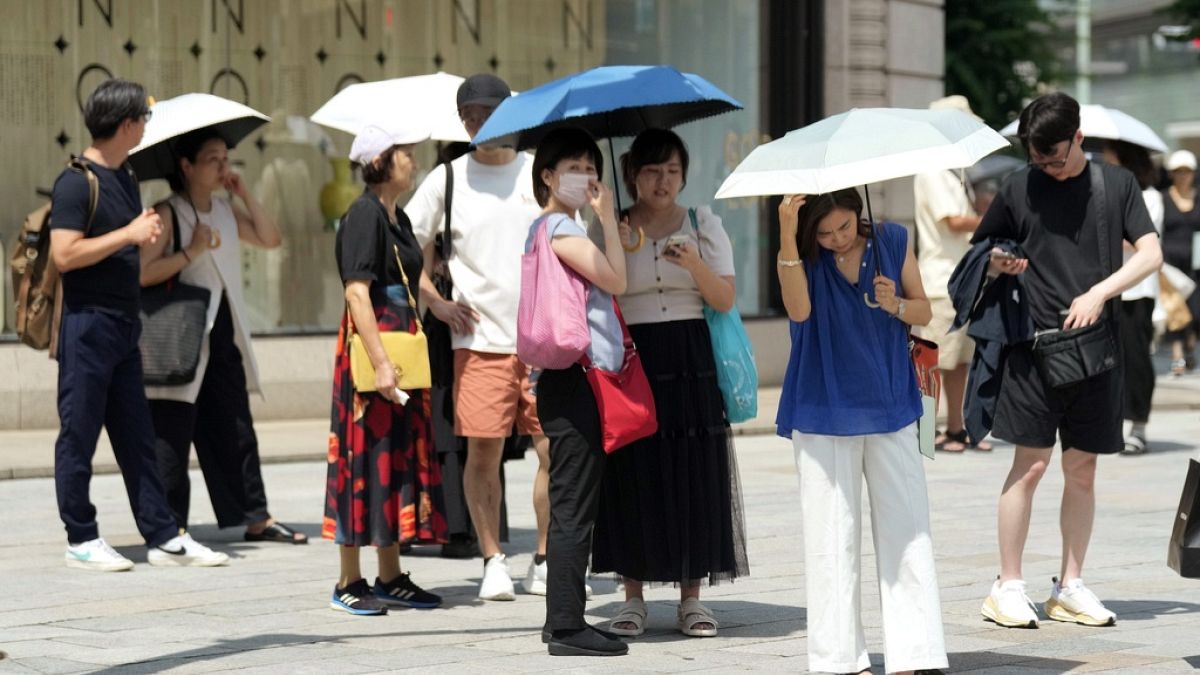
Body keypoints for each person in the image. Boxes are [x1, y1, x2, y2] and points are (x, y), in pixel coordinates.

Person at [968, 93, 1161, 629]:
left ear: (1079, 139)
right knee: (1028, 466)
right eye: (1038, 160)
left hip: (1096, 349)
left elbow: (1150, 253)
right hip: (1033, 350)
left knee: (1083, 468)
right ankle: (1006, 586)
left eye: (1055, 158)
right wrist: (1000, 263)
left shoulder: (1115, 185)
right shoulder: (1017, 186)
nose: (1047, 169)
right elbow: (983, 251)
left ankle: (1069, 585)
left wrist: (1099, 292)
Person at [49, 78, 227, 570]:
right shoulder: (75, 181)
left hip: (127, 325)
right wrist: (128, 233)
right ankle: (81, 536)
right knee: (79, 433)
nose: (147, 127)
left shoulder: (124, 176)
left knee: (137, 435)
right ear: (127, 124)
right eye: (144, 119)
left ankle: (163, 535)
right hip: (87, 326)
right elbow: (64, 254)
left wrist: (140, 234)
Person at [775, 187, 947, 675]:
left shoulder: (893, 239)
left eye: (844, 228)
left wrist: (895, 304)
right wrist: (789, 233)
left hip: (893, 402)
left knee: (908, 528)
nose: (835, 239)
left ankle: (915, 653)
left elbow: (924, 311)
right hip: (821, 405)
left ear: (859, 214)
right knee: (831, 536)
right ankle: (837, 659)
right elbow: (799, 312)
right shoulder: (801, 254)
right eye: (824, 232)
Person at [592, 128, 749, 639]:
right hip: (632, 358)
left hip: (689, 356)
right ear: (632, 174)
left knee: (693, 471)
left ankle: (692, 598)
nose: (663, 181)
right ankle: (632, 596)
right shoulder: (610, 227)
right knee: (632, 471)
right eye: (652, 170)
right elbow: (597, 295)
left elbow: (724, 298)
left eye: (673, 171)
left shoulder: (704, 222)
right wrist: (607, 229)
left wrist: (694, 263)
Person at [406, 73, 556, 600]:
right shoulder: (446, 179)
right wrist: (436, 302)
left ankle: (544, 557)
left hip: (544, 341)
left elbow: (572, 237)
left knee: (552, 450)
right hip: (477, 342)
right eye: (469, 115)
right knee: (483, 454)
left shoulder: (538, 172)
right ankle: (493, 558)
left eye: (488, 113)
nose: (478, 123)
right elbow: (403, 248)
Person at [139, 127, 306, 543]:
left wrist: (244, 193)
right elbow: (140, 273)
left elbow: (271, 238)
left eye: (224, 158)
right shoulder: (166, 213)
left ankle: (256, 517)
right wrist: (190, 253)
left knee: (235, 425)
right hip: (180, 333)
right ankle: (169, 522)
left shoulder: (226, 211)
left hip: (223, 330)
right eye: (212, 159)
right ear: (187, 166)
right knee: (172, 430)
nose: (222, 166)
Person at [323, 124, 445, 615]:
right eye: (406, 154)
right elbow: (357, 292)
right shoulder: (363, 215)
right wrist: (379, 363)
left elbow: (412, 279)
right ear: (380, 161)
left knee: (392, 460)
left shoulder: (397, 218)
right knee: (362, 460)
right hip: (375, 352)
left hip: (402, 352)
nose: (413, 162)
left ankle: (391, 573)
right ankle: (348, 579)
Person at [527, 127, 628, 657]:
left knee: (573, 500)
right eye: (574, 166)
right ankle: (567, 626)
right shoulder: (561, 226)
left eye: (592, 166)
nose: (586, 176)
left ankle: (561, 620)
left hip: (562, 378)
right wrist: (608, 217)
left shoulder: (541, 228)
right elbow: (617, 280)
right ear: (547, 174)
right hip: (575, 378)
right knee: (573, 505)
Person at [913, 95, 992, 452]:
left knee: (957, 361)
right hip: (940, 282)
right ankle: (926, 433)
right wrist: (992, 218)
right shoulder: (933, 169)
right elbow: (954, 221)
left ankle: (955, 430)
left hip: (958, 279)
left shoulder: (952, 171)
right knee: (931, 361)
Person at [1100, 140, 1164, 455]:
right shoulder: (1106, 194)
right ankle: (1114, 423)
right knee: (1111, 362)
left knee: (1137, 360)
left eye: (1111, 159)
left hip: (1138, 291)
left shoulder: (1150, 197)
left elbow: (1142, 242)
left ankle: (1138, 425)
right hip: (1108, 289)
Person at [1161, 150, 1200, 376]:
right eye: (1178, 172)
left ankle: (1190, 346)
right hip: (1170, 264)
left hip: (1195, 265)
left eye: (1187, 172)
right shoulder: (1163, 198)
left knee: (1194, 312)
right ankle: (1178, 358)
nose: (1183, 176)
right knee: (1175, 309)